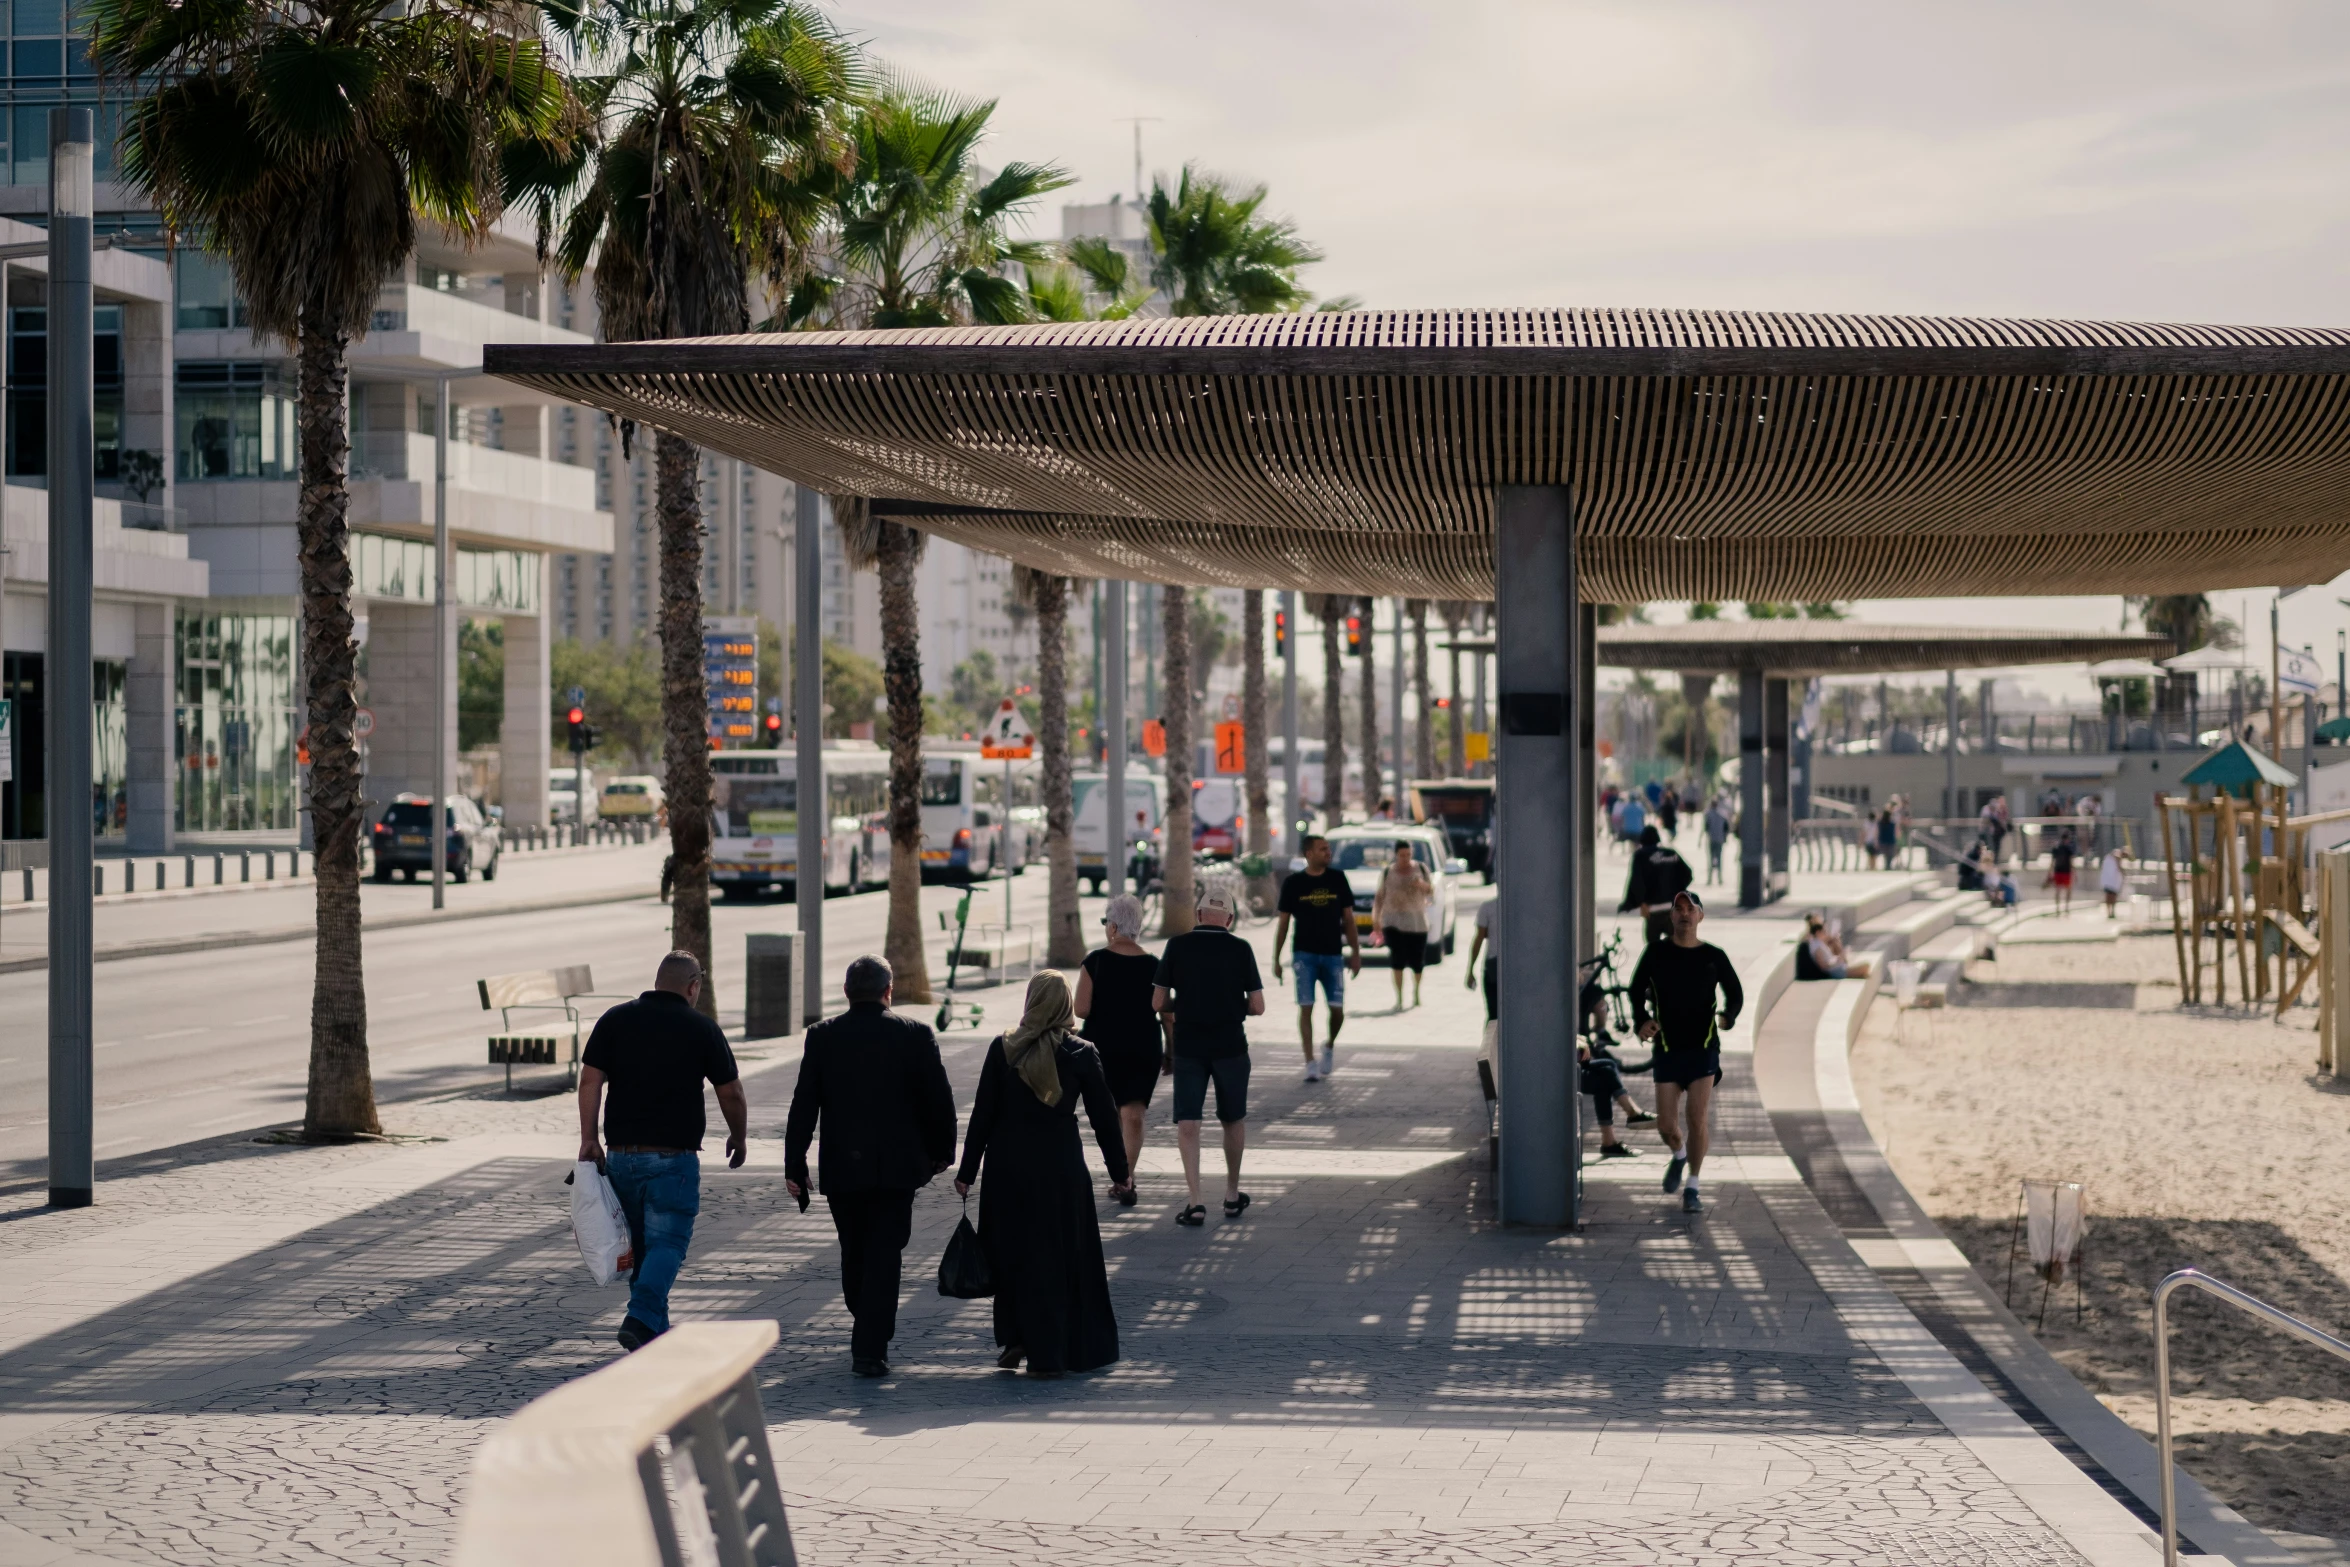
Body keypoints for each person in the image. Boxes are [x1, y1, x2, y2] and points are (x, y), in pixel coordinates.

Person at [784, 955, 957, 1378]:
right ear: (889, 991)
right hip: (898, 1170)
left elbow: (804, 1103)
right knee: (884, 1253)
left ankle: (868, 1333)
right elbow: (939, 1100)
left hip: (844, 1168)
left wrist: (795, 1161)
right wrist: (943, 1152)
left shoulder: (823, 1037)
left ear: (846, 993)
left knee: (855, 1249)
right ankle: (871, 1337)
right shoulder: (915, 1035)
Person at [955, 971, 1131, 1378]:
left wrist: (967, 1171)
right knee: (1055, 1256)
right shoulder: (1081, 1052)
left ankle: (1016, 1336)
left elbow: (983, 1114)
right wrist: (1120, 1173)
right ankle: (1048, 1353)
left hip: (1007, 1169)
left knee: (1012, 1252)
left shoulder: (1004, 1049)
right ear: (1065, 1004)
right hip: (1058, 1169)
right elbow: (1104, 1118)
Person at [577, 949, 748, 1353]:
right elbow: (732, 1092)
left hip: (620, 1157)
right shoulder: (701, 1028)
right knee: (668, 1244)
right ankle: (639, 1317)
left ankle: (653, 1337)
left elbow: (590, 1080)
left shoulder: (615, 1019)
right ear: (693, 987)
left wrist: (589, 1138)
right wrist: (739, 1137)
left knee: (644, 1248)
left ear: (657, 982)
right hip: (673, 1161)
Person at [1154, 888, 1268, 1227]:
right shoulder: (1241, 949)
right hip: (1230, 1046)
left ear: (1198, 915)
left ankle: (1195, 1201)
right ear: (1230, 920)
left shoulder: (1177, 946)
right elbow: (1258, 1005)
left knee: (1189, 1122)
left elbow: (1158, 1003)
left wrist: (1186, 1004)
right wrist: (1232, 1007)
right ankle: (1232, 1195)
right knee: (1232, 1119)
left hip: (1189, 1046)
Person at [1630, 890, 1743, 1215]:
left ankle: (1693, 1185)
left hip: (1703, 1049)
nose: (1683, 914)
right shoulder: (1656, 952)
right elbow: (1635, 989)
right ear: (1671, 917)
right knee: (1667, 1125)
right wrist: (1642, 1020)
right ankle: (1679, 1156)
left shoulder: (1714, 955)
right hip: (1667, 1048)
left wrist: (1727, 1017)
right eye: (1678, 909)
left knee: (1697, 1117)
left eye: (1689, 909)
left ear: (1700, 916)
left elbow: (1734, 993)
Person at [1075, 894, 1160, 1204]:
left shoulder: (1095, 961)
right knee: (1134, 1113)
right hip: (1143, 1047)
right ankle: (1128, 1178)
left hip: (1103, 1048)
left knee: (1110, 1113)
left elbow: (1080, 1009)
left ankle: (1120, 1177)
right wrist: (1173, 1050)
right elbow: (1166, 1010)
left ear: (1112, 926)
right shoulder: (1154, 964)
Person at [1272, 834, 1363, 1082]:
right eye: (1323, 849)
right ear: (1308, 854)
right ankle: (1310, 1061)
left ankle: (1329, 1045)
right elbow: (1283, 924)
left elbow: (1349, 919)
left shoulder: (1337, 879)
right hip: (1304, 954)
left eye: (1329, 849)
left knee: (1337, 1011)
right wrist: (1276, 958)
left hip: (1333, 953)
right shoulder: (1293, 883)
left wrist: (1355, 953)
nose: (1328, 853)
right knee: (1306, 1007)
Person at [1373, 840, 1435, 1010]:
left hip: (1417, 921)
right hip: (1393, 921)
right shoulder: (1388, 872)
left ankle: (1416, 992)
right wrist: (1376, 918)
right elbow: (1379, 897)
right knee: (1397, 959)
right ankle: (1399, 998)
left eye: (1408, 855)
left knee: (1417, 961)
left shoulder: (1420, 869)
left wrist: (1420, 885)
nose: (1405, 858)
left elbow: (1431, 890)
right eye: (1402, 855)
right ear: (1396, 855)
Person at [1620, 825, 1694, 945]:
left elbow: (1636, 882)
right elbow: (1688, 874)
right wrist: (1677, 891)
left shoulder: (1640, 856)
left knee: (1652, 950)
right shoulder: (1671, 853)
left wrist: (1636, 902)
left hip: (1653, 909)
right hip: (1673, 908)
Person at [1798, 912, 1875, 980]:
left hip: (1838, 967)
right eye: (1823, 930)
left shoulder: (1821, 943)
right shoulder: (1815, 945)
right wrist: (1837, 960)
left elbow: (1838, 955)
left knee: (1866, 969)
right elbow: (1824, 966)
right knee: (1866, 966)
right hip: (1836, 971)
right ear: (1818, 932)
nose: (1825, 932)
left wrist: (1837, 945)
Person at [1465, 891, 1498, 1020]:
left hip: (1493, 963)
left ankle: (1492, 1040)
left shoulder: (1488, 907)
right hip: (1508, 965)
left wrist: (1470, 970)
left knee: (1493, 1016)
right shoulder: (1522, 909)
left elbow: (1479, 939)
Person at [2047, 828, 2077, 915]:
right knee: (2068, 890)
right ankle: (2066, 908)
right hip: (2066, 872)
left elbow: (2052, 862)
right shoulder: (2069, 849)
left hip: (2058, 871)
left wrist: (2049, 872)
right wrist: (2074, 873)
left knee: (2058, 890)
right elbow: (2071, 863)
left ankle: (2057, 908)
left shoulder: (2056, 848)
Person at [1705, 796, 1732, 884]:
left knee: (1710, 859)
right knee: (1719, 859)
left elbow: (1706, 827)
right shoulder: (1722, 815)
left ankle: (1709, 879)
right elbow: (1726, 828)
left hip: (1711, 839)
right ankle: (1720, 879)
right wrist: (1725, 838)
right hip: (1720, 840)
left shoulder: (1708, 814)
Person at [2101, 843, 2130, 920]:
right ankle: (2109, 912)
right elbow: (2117, 859)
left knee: (2113, 897)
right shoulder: (2116, 853)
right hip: (2109, 879)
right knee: (2108, 896)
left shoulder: (2119, 858)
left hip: (2114, 881)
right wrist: (2123, 873)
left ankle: (2112, 912)